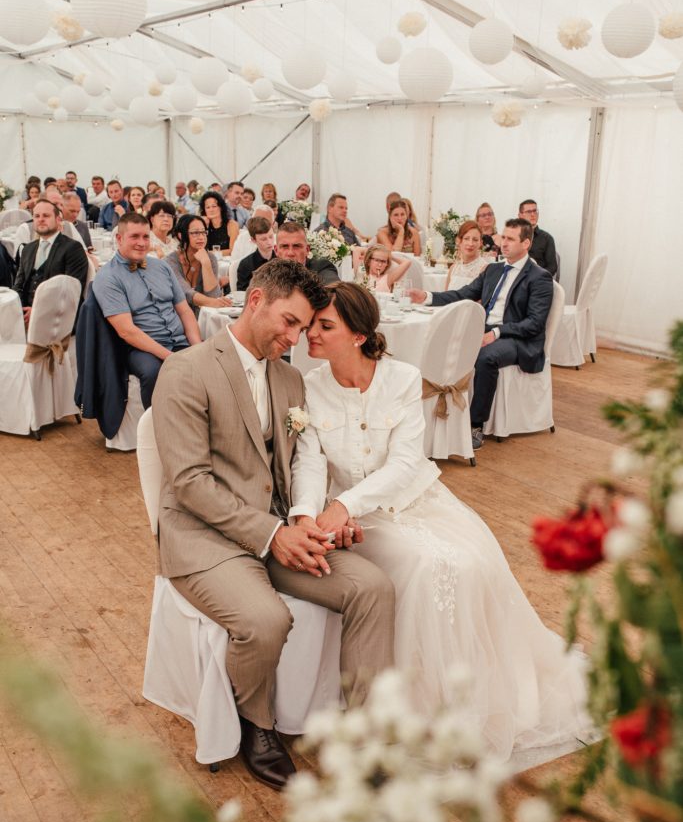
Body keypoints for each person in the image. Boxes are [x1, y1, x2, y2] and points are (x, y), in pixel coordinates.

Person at [290, 281, 590, 760]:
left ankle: (473, 704)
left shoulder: (404, 378)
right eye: (311, 324)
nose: (311, 334)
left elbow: (405, 463)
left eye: (325, 326)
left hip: (413, 500)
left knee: (474, 563)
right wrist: (307, 516)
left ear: (359, 336)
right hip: (356, 517)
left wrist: (345, 505)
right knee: (428, 566)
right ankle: (414, 710)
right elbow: (307, 462)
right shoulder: (309, 387)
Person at [152, 259, 395, 790]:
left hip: (277, 530)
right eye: (289, 322)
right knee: (266, 620)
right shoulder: (186, 370)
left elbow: (300, 464)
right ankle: (257, 724)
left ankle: (366, 734)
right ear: (256, 300)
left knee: (372, 588)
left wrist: (314, 520)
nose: (295, 338)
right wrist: (270, 534)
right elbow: (189, 483)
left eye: (303, 328)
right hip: (204, 538)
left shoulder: (289, 379)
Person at [408, 218, 553, 451]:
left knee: (485, 357)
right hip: (484, 329)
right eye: (503, 237)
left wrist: (496, 332)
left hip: (517, 338)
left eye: (510, 239)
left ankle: (475, 424)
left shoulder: (539, 277)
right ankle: (436, 412)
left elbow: (534, 324)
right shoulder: (494, 270)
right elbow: (463, 294)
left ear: (526, 243)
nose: (504, 243)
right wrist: (427, 297)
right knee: (441, 342)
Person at [91, 212, 200, 409]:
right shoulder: (108, 277)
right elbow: (127, 331)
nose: (142, 243)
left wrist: (197, 348)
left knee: (212, 362)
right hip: (140, 348)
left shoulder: (162, 267)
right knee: (154, 372)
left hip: (178, 340)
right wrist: (170, 357)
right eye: (134, 236)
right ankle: (155, 424)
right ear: (119, 238)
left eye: (145, 237)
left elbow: (184, 311)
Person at [13, 199, 89, 327]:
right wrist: (18, 309)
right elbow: (18, 285)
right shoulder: (28, 249)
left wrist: (37, 311)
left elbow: (71, 292)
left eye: (46, 216)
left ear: (58, 220)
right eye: (37, 216)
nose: (41, 219)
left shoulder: (73, 248)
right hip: (25, 315)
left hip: (58, 318)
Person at [165, 214, 230, 314]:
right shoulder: (170, 261)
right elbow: (185, 293)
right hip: (177, 315)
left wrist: (206, 264)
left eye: (203, 232)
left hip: (203, 315)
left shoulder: (210, 258)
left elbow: (214, 295)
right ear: (181, 235)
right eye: (195, 233)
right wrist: (213, 302)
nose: (201, 237)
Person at [275, 221, 338, 286]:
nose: (290, 253)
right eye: (285, 246)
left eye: (296, 246)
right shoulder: (269, 271)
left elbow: (334, 286)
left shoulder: (321, 268)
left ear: (307, 250)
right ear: (276, 250)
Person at [443, 220, 495, 288]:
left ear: (480, 243)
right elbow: (446, 294)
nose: (470, 244)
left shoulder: (485, 269)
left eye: (475, 240)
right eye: (466, 239)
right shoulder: (453, 269)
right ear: (459, 241)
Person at [519, 199, 557, 277]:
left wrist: (536, 277)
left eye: (535, 211)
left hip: (537, 279)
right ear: (520, 215)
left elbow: (552, 267)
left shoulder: (547, 238)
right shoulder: (513, 236)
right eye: (529, 212)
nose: (533, 214)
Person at [236, 216, 275, 293]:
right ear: (253, 240)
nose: (269, 242)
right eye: (263, 239)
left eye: (271, 237)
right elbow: (242, 293)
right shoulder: (245, 264)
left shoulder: (282, 259)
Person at [199, 190, 238, 255]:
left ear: (221, 207)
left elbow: (233, 250)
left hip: (227, 260)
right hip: (208, 260)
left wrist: (209, 253)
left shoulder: (231, 224)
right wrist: (204, 226)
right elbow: (199, 249)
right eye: (208, 207)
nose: (211, 210)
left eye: (214, 206)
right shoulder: (203, 225)